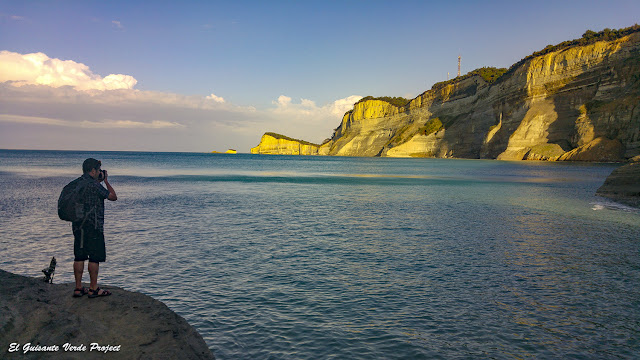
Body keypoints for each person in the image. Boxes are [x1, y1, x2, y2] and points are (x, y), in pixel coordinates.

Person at [72, 158, 117, 298]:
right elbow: (113, 197)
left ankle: (78, 288)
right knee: (94, 257)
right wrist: (106, 182)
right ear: (93, 171)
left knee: (79, 256)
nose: (99, 172)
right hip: (94, 226)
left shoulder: (77, 183)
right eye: (98, 170)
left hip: (78, 226)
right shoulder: (94, 185)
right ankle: (93, 288)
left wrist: (98, 181)